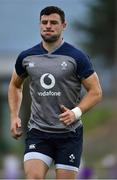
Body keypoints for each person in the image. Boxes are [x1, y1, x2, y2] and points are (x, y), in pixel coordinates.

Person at [8, 6, 102, 179]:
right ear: (39, 25)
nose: (48, 26)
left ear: (63, 25)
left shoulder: (77, 57)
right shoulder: (26, 57)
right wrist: (14, 116)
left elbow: (95, 92)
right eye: (44, 22)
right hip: (38, 131)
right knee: (33, 177)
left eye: (53, 22)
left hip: (69, 135)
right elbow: (15, 85)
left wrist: (76, 113)